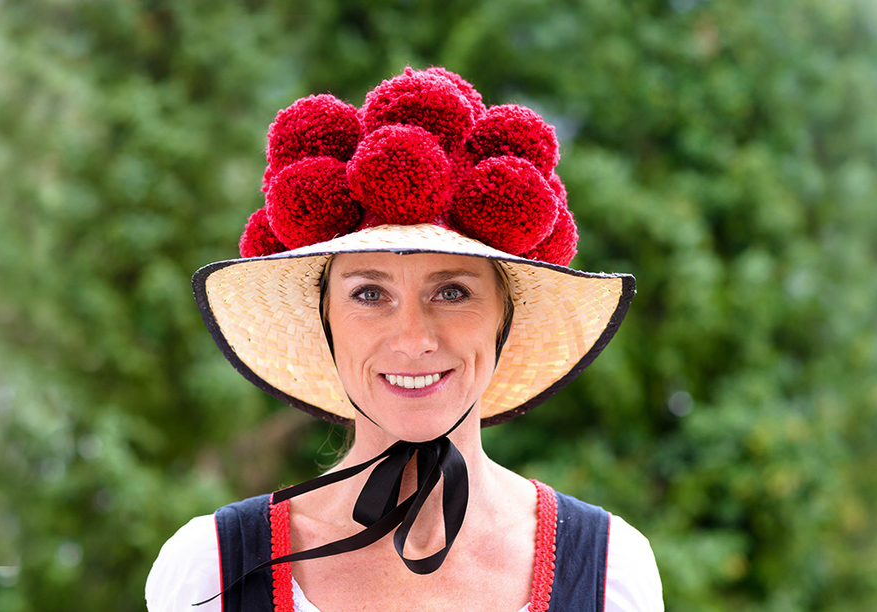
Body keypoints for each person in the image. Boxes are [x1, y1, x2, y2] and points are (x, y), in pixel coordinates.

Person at [146, 66, 663, 612]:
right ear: (325, 319)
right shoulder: (212, 571)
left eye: (453, 292)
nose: (413, 338)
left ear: (504, 318)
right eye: (369, 294)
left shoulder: (610, 570)